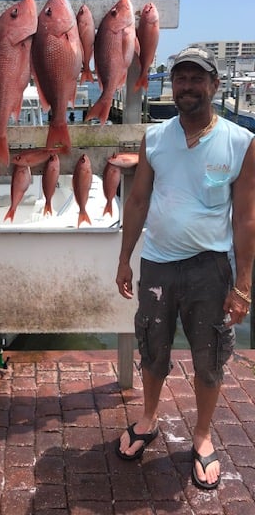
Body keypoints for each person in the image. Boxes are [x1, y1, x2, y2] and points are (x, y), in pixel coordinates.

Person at [115, 46, 255, 490]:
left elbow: (246, 216)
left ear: (214, 85)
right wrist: (124, 258)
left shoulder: (240, 141)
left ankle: (202, 434)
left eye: (197, 79)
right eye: (181, 79)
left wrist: (244, 284)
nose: (188, 87)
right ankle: (149, 417)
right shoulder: (154, 138)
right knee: (152, 347)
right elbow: (137, 200)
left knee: (209, 355)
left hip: (210, 268)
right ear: (171, 86)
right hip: (156, 263)